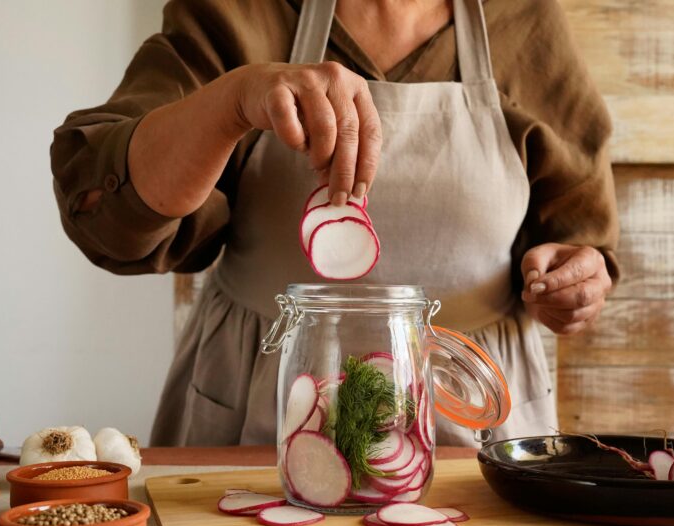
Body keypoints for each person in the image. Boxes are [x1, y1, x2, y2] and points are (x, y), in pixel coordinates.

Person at [51, 0, 619, 447]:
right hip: (265, 397)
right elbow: (108, 214)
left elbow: (577, 229)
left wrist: (575, 276)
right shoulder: (237, 11)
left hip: (469, 404)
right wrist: (234, 100)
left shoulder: (522, 17)